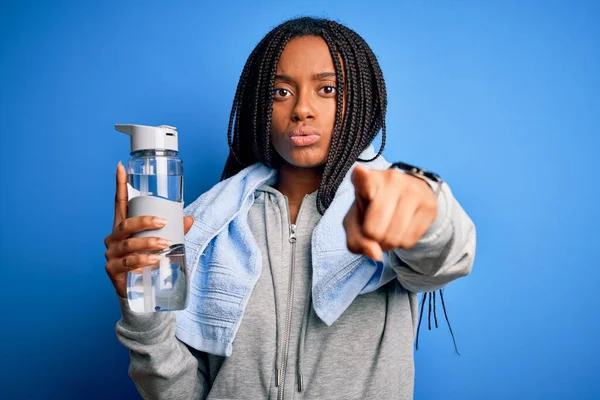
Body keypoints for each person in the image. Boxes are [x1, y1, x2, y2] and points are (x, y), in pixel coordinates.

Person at [104, 16, 476, 400]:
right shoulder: (208, 225)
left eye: (327, 89)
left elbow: (448, 256)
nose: (302, 109)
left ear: (363, 99)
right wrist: (142, 309)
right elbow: (179, 392)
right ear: (259, 106)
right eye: (281, 92)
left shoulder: (382, 209)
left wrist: (424, 208)